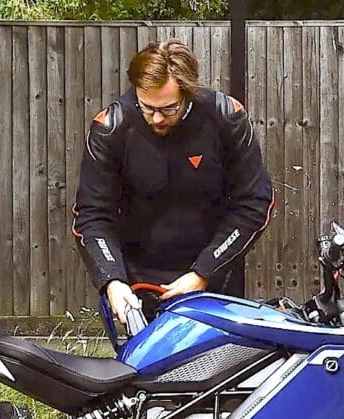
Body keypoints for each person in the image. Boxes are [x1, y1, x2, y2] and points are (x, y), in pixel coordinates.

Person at [71, 40, 274, 323]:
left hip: (214, 278)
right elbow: (92, 215)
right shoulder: (111, 128)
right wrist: (112, 281)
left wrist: (205, 271)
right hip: (136, 289)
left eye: (168, 108)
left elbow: (255, 202)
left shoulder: (225, 117)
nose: (156, 118)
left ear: (187, 92)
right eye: (146, 107)